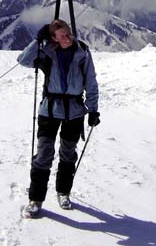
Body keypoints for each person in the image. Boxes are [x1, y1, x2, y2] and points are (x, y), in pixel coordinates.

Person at [17, 19, 100, 218]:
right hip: (49, 110)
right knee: (44, 153)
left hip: (75, 111)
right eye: (63, 35)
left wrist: (93, 110)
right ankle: (35, 199)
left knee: (68, 153)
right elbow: (23, 60)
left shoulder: (82, 52)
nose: (68, 37)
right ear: (53, 38)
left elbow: (91, 81)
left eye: (68, 33)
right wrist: (38, 41)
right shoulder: (46, 51)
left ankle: (63, 192)